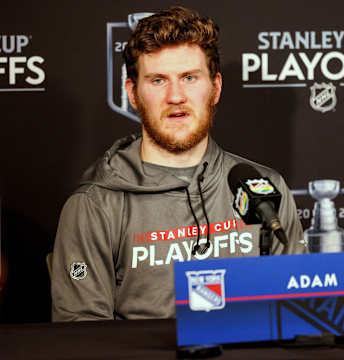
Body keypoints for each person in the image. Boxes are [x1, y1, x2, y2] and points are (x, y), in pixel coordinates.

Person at [51, 6, 306, 322]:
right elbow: (82, 340)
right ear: (133, 93)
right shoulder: (95, 204)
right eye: (158, 80)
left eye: (189, 77)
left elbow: (297, 315)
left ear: (215, 87)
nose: (175, 96)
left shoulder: (266, 188)